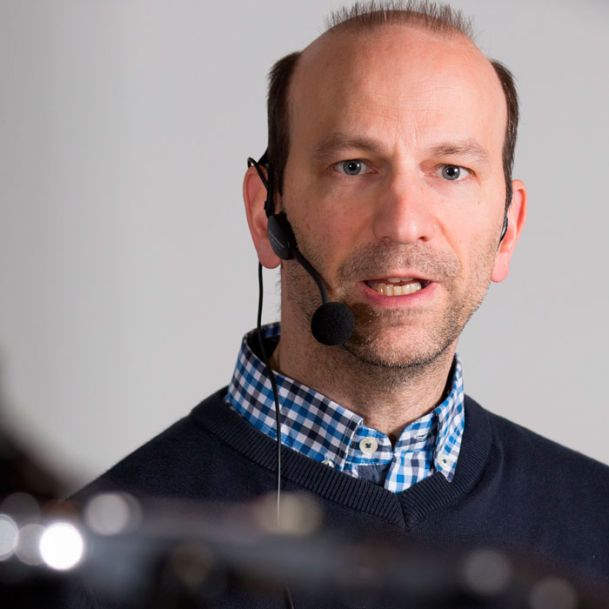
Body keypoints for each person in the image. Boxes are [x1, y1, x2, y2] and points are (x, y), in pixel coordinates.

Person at [69, 1, 609, 606]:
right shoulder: (89, 570)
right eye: (353, 166)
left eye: (451, 171)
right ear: (266, 214)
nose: (403, 224)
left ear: (508, 229)